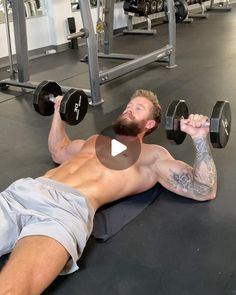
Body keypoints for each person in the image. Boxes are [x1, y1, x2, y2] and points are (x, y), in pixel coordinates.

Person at [0, 89, 217, 295]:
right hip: (25, 191)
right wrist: (59, 113)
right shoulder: (95, 140)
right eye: (129, 106)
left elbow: (203, 190)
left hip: (62, 213)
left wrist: (199, 137)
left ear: (150, 123)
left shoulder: (152, 156)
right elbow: (59, 151)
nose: (129, 109)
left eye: (138, 108)